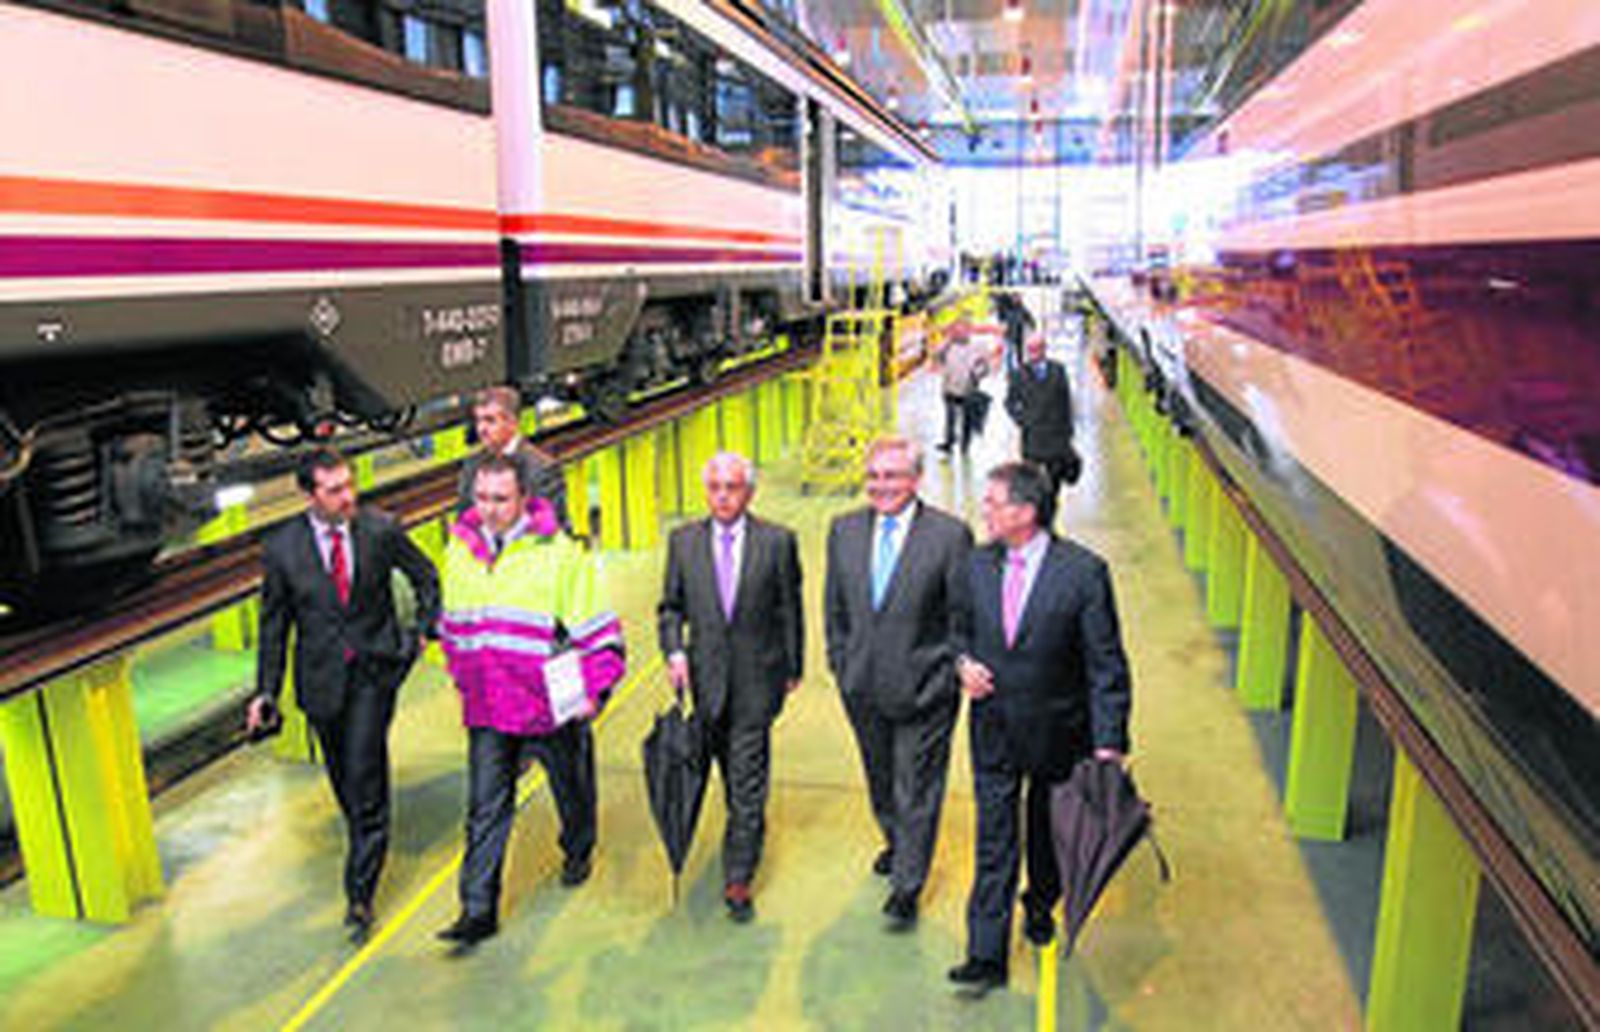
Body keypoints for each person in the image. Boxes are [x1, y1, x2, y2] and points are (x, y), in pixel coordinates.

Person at [948, 461, 1132, 996]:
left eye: (993, 503)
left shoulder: (1083, 573)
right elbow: (955, 630)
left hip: (1059, 732)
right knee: (994, 838)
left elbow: (1105, 664)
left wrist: (1108, 742)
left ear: (1026, 512)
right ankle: (985, 951)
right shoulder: (974, 566)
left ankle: (1040, 900)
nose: (983, 511)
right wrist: (961, 663)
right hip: (994, 731)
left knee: (1047, 834)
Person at [247, 446, 440, 939]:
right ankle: (364, 832)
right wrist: (264, 692)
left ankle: (360, 894)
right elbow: (274, 627)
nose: (347, 497)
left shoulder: (380, 529)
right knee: (344, 777)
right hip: (321, 682)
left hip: (376, 672)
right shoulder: (282, 549)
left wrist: (421, 632)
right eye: (334, 490)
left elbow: (426, 577)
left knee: (364, 769)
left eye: (349, 485)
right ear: (309, 495)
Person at [435, 456, 625, 946]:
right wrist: (461, 675)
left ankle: (578, 846)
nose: (489, 510)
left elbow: (600, 632)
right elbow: (453, 624)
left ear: (523, 499)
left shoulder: (560, 554)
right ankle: (477, 909)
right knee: (484, 808)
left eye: (500, 499)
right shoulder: (459, 550)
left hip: (549, 708)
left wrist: (594, 689)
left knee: (572, 789)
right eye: (481, 498)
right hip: (489, 708)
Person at [824, 437, 973, 931]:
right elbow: (836, 610)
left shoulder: (949, 536)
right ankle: (896, 841)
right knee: (880, 778)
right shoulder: (843, 531)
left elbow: (962, 617)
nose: (881, 487)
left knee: (917, 788)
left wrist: (947, 674)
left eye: (892, 476)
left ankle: (908, 883)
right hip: (863, 686)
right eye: (874, 477)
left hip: (925, 692)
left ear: (915, 479)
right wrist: (842, 665)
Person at [657, 452, 803, 923]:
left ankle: (738, 875)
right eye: (715, 487)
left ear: (749, 492)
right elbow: (670, 608)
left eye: (733, 487)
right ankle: (743, 833)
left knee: (747, 784)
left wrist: (793, 666)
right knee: (716, 775)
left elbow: (789, 609)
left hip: (757, 684)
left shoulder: (777, 542)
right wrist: (674, 652)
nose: (723, 496)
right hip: (704, 684)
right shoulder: (683, 543)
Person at [457, 385, 569, 532]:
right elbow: (464, 524)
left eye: (490, 421)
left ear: (512, 423)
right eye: (479, 421)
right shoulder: (471, 465)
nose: (481, 429)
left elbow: (550, 531)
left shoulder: (542, 470)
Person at [1005, 331, 1079, 500]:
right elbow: (1010, 402)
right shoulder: (1019, 374)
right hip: (1033, 438)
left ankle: (1050, 512)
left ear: (1045, 349)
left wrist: (1068, 432)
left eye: (1037, 349)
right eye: (1030, 349)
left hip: (1056, 438)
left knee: (1054, 483)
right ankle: (1038, 511)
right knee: (1032, 482)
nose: (1034, 353)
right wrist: (1023, 420)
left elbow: (1066, 401)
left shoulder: (1058, 370)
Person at [935, 317, 988, 455]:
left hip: (967, 389)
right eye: (956, 330)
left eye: (963, 329)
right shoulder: (947, 346)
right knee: (950, 418)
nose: (959, 333)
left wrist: (977, 373)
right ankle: (949, 441)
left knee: (966, 420)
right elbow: (936, 356)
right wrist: (947, 341)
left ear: (968, 331)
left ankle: (965, 445)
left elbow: (985, 367)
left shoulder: (977, 347)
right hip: (949, 387)